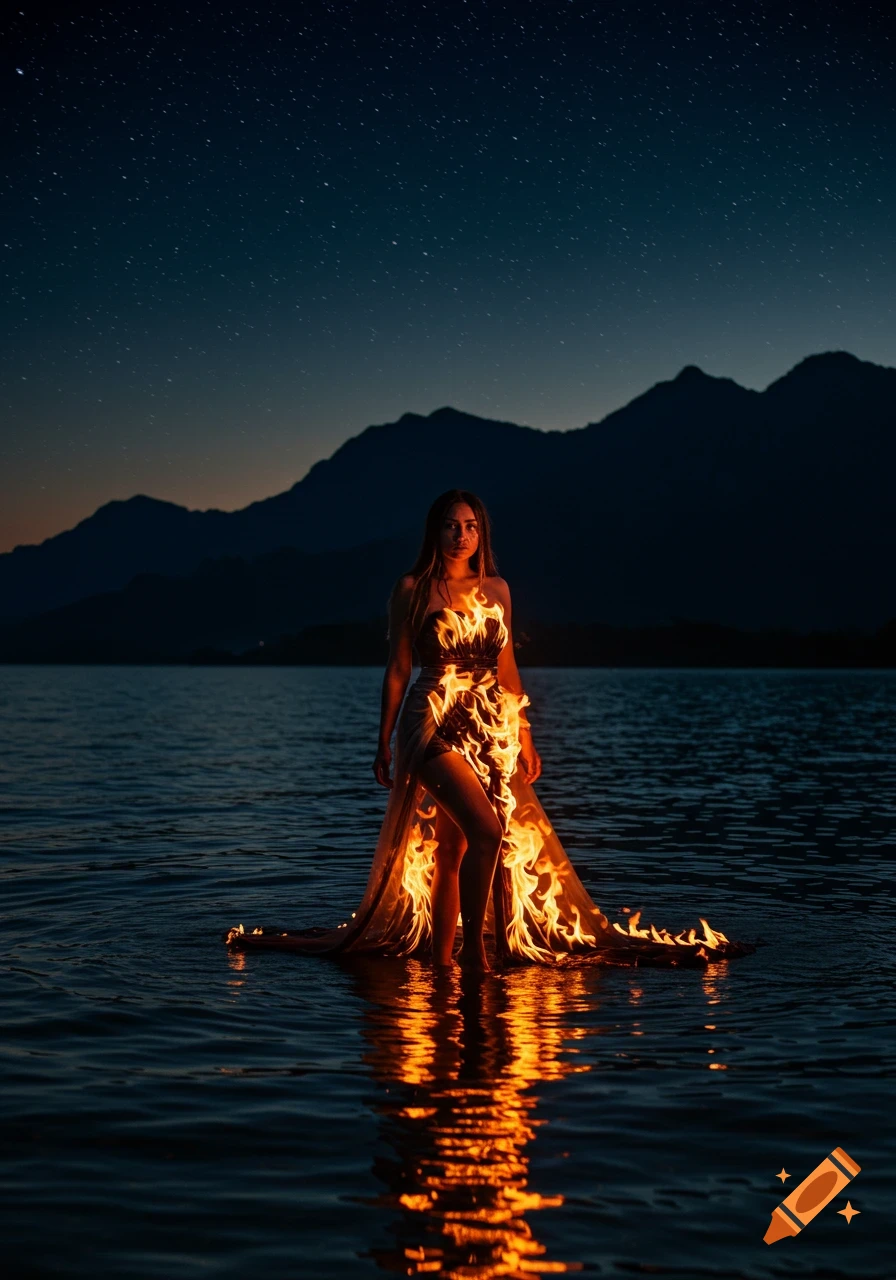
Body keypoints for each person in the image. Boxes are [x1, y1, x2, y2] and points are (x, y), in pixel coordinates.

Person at [226, 489, 748, 969]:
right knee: (489, 831)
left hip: (488, 725)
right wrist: (382, 739)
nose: (461, 535)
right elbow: (398, 669)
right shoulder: (412, 589)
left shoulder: (497, 588)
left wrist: (525, 735)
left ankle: (440, 954)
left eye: (471, 526)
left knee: (454, 848)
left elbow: (509, 669)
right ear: (435, 531)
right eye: (451, 526)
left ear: (482, 533)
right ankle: (473, 950)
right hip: (429, 720)